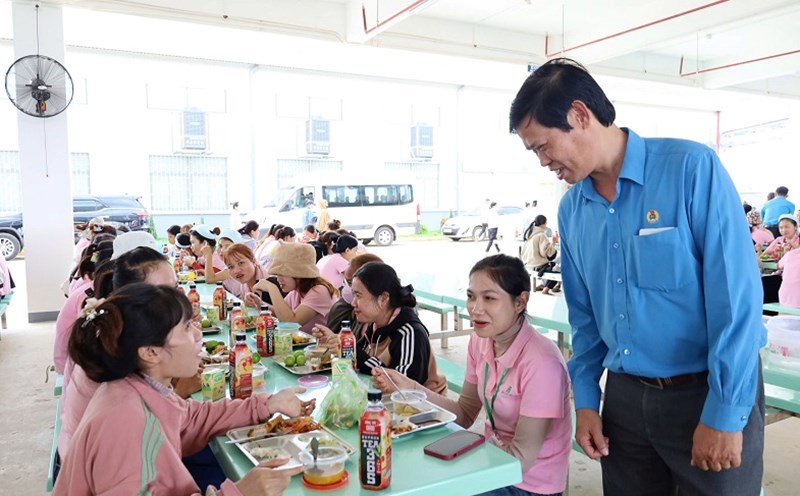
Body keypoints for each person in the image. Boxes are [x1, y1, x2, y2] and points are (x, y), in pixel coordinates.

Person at [509, 58, 765, 495]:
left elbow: (737, 303)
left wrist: (724, 413)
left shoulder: (689, 169)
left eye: (542, 146)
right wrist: (587, 400)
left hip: (704, 392)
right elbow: (585, 318)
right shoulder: (573, 210)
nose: (542, 161)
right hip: (626, 405)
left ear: (579, 115)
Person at [54, 283, 313, 496]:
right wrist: (239, 493)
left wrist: (268, 404)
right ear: (151, 352)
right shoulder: (126, 421)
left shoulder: (137, 387)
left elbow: (191, 419)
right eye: (187, 327)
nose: (198, 334)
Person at [374, 255, 571, 496]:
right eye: (470, 296)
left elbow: (519, 462)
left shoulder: (542, 363)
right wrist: (412, 388)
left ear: (520, 302)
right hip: (492, 462)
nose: (475, 309)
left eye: (489, 298)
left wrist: (465, 459)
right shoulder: (481, 340)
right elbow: (465, 414)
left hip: (529, 484)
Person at [312, 261, 447, 393]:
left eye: (358, 295)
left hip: (419, 410)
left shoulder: (410, 333)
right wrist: (333, 341)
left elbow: (403, 389)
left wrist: (355, 353)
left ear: (383, 299)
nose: (353, 303)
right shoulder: (375, 325)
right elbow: (360, 359)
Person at [253, 242, 337, 333]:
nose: (278, 279)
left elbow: (290, 324)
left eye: (282, 274)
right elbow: (281, 313)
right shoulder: (296, 290)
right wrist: (260, 304)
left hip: (321, 346)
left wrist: (272, 288)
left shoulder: (320, 291)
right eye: (277, 274)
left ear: (298, 274)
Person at [325, 253, 383, 334]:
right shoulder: (346, 307)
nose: (353, 303)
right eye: (347, 282)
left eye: (350, 282)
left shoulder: (380, 320)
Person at [520, 215, 560, 295]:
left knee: (552, 264)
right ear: (543, 224)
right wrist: (554, 242)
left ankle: (543, 285)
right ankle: (546, 289)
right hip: (538, 266)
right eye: (546, 223)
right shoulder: (541, 235)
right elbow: (549, 254)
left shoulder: (530, 234)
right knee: (558, 268)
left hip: (529, 265)